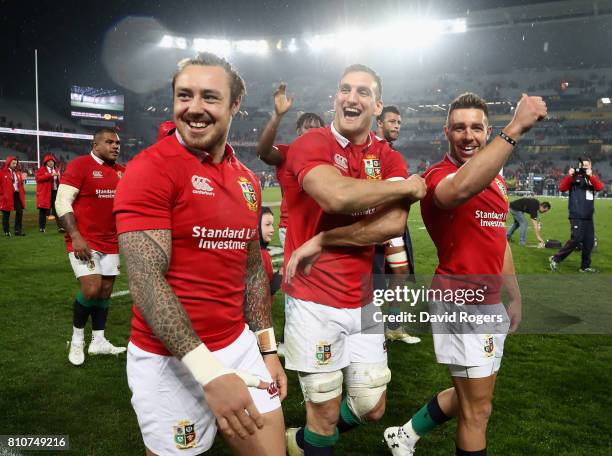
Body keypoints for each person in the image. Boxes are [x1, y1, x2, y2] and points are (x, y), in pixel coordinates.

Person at [114, 52, 286, 456]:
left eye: (209, 97)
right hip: (169, 359)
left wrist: (267, 349)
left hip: (237, 345)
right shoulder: (150, 170)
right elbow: (145, 280)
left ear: (234, 104)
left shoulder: (246, 180)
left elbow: (251, 273)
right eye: (184, 95)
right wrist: (209, 373)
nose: (193, 108)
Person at [383, 92, 547, 456]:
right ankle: (404, 435)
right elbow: (458, 190)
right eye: (459, 128)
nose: (468, 135)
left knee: (472, 395)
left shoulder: (497, 179)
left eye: (476, 127)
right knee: (478, 409)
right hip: (461, 303)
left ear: (487, 131)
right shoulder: (439, 175)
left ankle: (404, 435)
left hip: (489, 304)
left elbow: (498, 243)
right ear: (446, 132)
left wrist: (515, 296)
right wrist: (516, 127)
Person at [282, 63, 426, 456]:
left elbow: (393, 224)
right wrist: (402, 188)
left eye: (363, 92)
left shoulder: (389, 157)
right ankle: (313, 437)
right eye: (345, 89)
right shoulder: (311, 143)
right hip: (313, 299)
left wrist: (326, 238)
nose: (352, 97)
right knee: (325, 410)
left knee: (371, 406)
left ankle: (299, 441)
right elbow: (336, 197)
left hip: (363, 299)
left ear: (377, 106)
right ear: (335, 97)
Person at [55, 127, 127, 366]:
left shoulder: (120, 172)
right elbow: (62, 200)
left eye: (117, 143)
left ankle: (98, 340)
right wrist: (75, 235)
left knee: (105, 291)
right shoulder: (80, 165)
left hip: (111, 241)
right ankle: (77, 341)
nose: (115, 146)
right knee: (91, 289)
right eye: (109, 142)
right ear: (95, 145)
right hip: (84, 241)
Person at [255, 82, 324, 249]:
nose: (313, 131)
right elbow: (263, 152)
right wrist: (277, 117)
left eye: (317, 128)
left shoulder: (330, 158)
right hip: (292, 229)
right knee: (297, 275)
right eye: (308, 127)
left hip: (322, 230)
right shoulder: (287, 153)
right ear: (298, 131)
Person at [375, 105, 420, 345]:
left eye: (399, 122)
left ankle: (392, 325)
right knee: (374, 277)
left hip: (395, 223)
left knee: (400, 273)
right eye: (392, 121)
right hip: (377, 223)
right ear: (379, 123)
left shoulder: (389, 152)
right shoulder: (370, 150)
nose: (397, 126)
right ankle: (369, 326)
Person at [549, 157, 604, 273]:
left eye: (587, 165)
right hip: (577, 214)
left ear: (590, 166)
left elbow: (600, 188)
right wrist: (569, 175)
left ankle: (585, 266)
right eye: (583, 165)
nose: (584, 167)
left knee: (589, 242)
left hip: (588, 216)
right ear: (579, 166)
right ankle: (556, 258)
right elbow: (562, 188)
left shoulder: (592, 178)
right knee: (576, 239)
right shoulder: (573, 177)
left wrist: (591, 176)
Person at [35, 153, 63, 232]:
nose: (51, 163)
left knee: (57, 210)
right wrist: (50, 175)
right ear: (46, 162)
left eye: (52, 161)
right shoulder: (41, 170)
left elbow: (60, 180)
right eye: (49, 161)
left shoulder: (57, 169)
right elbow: (38, 179)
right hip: (45, 193)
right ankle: (42, 228)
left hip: (55, 192)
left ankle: (60, 227)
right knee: (43, 210)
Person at [1, 156, 26, 237]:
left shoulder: (17, 172)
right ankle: (6, 231)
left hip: (16, 195)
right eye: (13, 163)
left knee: (19, 211)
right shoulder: (2, 172)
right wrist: (2, 194)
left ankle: (17, 230)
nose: (15, 165)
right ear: (8, 163)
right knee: (6, 213)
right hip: (7, 196)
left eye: (16, 163)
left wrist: (22, 180)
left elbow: (20, 185)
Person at [260, 206, 282, 296]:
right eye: (267, 224)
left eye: (272, 225)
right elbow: (263, 293)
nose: (272, 230)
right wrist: (280, 275)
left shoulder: (262, 251)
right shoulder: (256, 254)